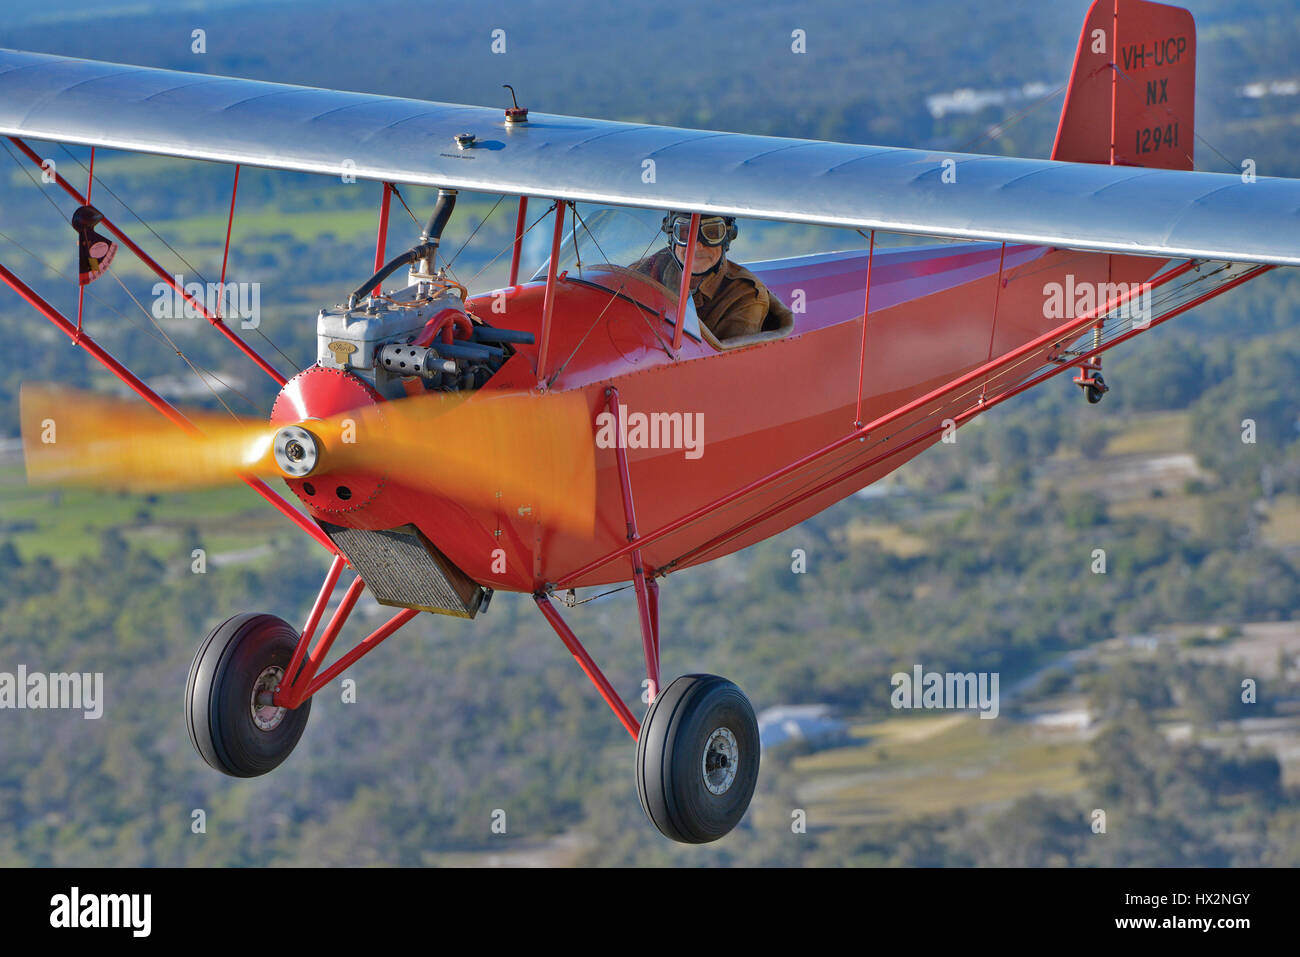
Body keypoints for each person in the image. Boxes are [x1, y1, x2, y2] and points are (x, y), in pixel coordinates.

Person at [632, 212, 790, 341]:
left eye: (712, 233)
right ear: (672, 236)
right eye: (686, 232)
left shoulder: (744, 294)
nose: (697, 245)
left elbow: (722, 365)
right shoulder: (651, 267)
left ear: (726, 238)